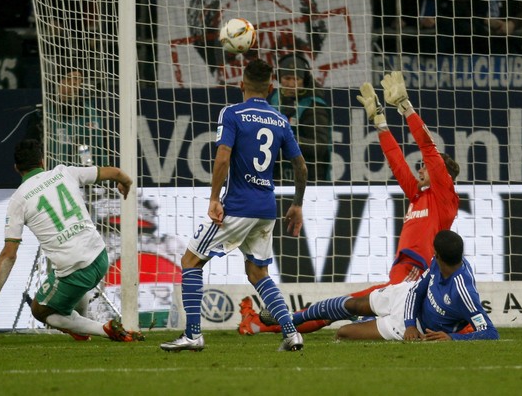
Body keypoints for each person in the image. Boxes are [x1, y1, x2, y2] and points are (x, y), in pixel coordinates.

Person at [238, 70, 460, 335]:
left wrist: (406, 108)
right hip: (401, 272)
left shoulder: (445, 197)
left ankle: (269, 322)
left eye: (426, 167)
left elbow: (428, 149)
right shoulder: (418, 196)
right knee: (340, 307)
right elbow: (397, 162)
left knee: (344, 308)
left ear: (442, 174)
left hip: (415, 273)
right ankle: (263, 325)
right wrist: (380, 123)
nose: (421, 168)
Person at [159, 59, 308, 352]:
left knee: (191, 261)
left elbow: (223, 157)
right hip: (267, 207)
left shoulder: (232, 113)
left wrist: (214, 198)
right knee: (258, 274)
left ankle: (192, 335)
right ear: (271, 87)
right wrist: (297, 204)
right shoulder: (280, 120)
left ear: (241, 84)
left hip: (238, 205)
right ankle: (292, 334)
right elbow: (301, 167)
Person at [0, 139, 144, 342]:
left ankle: (104, 329)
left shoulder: (18, 200)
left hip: (76, 271)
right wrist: (126, 183)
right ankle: (80, 329)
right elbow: (115, 172)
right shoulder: (64, 172)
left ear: (16, 168)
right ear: (42, 162)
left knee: (39, 309)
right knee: (62, 284)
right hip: (100, 258)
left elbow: (9, 254)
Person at [300, 230, 499, 341]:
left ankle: (364, 319)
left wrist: (452, 338)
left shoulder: (463, 292)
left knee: (344, 334)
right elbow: (416, 291)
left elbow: (491, 332)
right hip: (405, 299)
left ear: (438, 255)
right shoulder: (436, 263)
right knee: (353, 304)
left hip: (416, 327)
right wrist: (410, 324)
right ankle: (292, 319)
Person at [269, 53, 331, 183]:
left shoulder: (314, 106)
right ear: (279, 78)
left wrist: (286, 140)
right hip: (277, 177)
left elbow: (319, 147)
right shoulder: (274, 99)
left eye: (296, 79)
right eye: (287, 78)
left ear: (305, 80)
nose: (291, 84)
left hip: (310, 179)